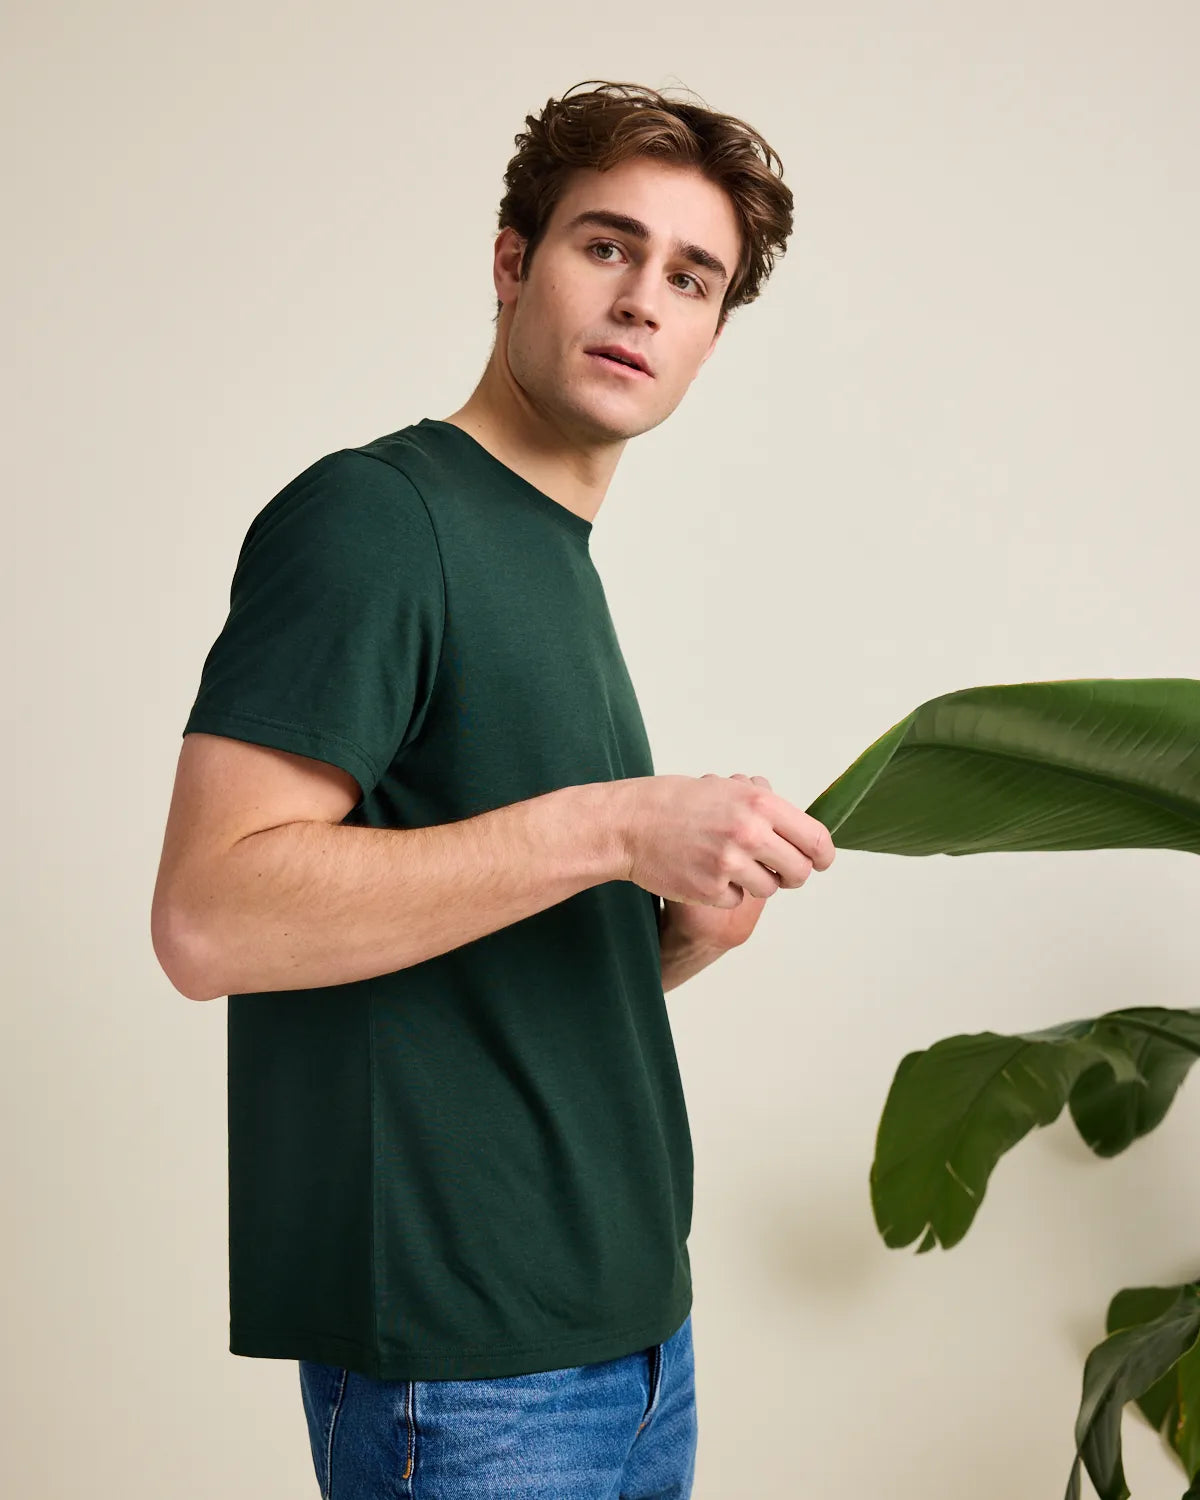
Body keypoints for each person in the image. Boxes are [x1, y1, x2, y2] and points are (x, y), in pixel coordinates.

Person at [150, 77, 835, 1500]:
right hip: (467, 1374)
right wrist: (616, 823)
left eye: (691, 276)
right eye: (607, 245)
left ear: (712, 335)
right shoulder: (380, 518)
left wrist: (672, 939)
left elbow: (462, 968)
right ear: (514, 261)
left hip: (634, 1342)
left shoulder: (551, 560)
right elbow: (210, 917)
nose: (646, 297)